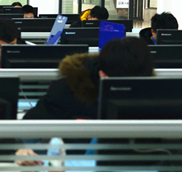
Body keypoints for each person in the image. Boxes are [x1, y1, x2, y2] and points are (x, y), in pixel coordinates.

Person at [24, 37, 155, 120]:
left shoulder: (155, 93)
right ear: (102, 75)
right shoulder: (67, 90)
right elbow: (29, 129)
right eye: (123, 85)